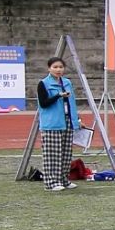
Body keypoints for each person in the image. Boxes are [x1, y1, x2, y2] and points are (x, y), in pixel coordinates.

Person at [36, 57, 79, 191]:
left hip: (67, 121)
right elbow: (44, 103)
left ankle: (63, 179)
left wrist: (76, 119)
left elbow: (72, 103)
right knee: (52, 154)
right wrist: (58, 96)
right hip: (52, 123)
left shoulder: (67, 82)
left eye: (61, 67)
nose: (58, 70)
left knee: (66, 153)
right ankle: (51, 182)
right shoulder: (43, 83)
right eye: (55, 67)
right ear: (49, 68)